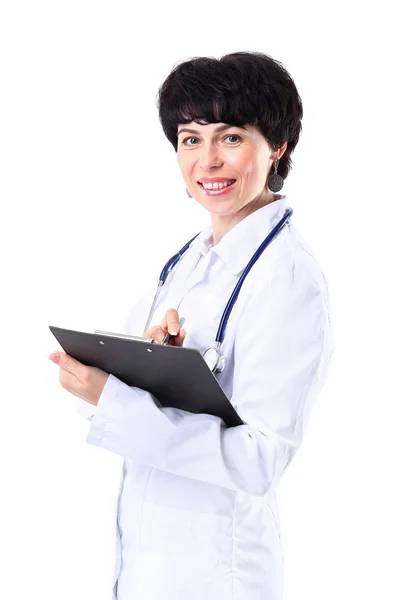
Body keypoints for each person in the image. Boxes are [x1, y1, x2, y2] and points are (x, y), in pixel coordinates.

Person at [49, 51, 334, 600]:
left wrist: (114, 400)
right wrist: (145, 369)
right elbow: (146, 392)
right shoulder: (189, 261)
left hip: (218, 574)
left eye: (230, 138)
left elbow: (260, 460)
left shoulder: (288, 278)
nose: (208, 161)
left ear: (277, 147)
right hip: (149, 563)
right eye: (190, 139)